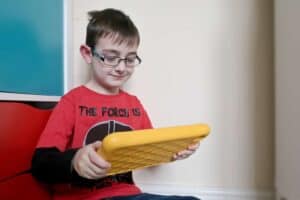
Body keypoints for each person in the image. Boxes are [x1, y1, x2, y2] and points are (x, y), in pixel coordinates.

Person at [31, 8, 200, 200]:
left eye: (129, 59)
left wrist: (173, 150)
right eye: (111, 58)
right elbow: (40, 164)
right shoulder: (72, 101)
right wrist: (74, 160)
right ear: (87, 54)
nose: (121, 68)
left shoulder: (134, 104)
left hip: (127, 195)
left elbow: (148, 152)